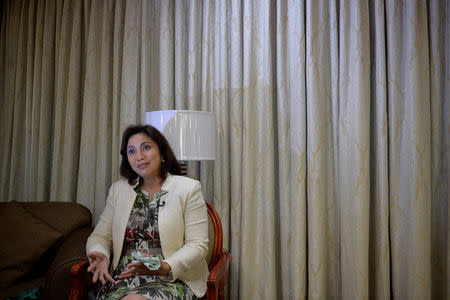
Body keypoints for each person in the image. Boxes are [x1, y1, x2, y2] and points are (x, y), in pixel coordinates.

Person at [86, 125, 209, 300]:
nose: (139, 157)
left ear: (161, 151)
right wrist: (100, 253)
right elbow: (100, 236)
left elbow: (198, 245)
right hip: (122, 278)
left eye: (146, 147)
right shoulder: (119, 190)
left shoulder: (188, 189)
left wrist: (166, 266)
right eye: (131, 151)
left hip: (171, 278)